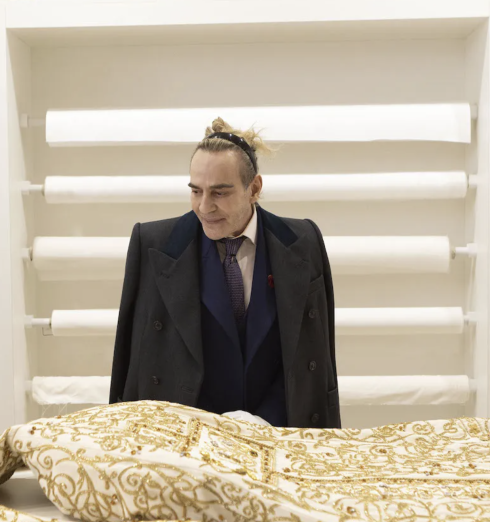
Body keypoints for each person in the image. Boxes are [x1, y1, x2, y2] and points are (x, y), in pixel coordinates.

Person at [109, 118, 340, 427]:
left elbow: (319, 357)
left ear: (254, 188)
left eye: (219, 193)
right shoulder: (152, 245)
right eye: (196, 191)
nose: (204, 207)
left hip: (281, 433)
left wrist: (265, 425)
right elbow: (130, 360)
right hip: (183, 438)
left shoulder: (303, 241)